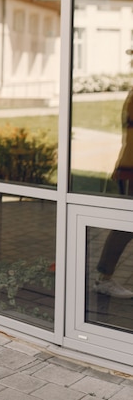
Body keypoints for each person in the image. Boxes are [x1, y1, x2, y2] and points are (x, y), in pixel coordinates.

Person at [94, 48, 133, 299]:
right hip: (130, 172)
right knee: (125, 226)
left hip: (127, 169)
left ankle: (104, 277)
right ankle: (104, 278)